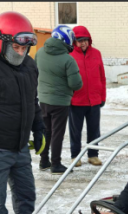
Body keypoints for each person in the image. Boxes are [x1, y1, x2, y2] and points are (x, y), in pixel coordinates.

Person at [0, 11, 45, 214]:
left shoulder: (29, 66)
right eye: (15, 47)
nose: (19, 53)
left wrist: (38, 128)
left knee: (26, 196)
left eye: (23, 48)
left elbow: (33, 100)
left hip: (19, 147)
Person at [35, 25, 83, 175]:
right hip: (60, 102)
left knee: (46, 131)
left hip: (43, 99)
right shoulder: (68, 60)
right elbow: (76, 84)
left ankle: (44, 161)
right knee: (57, 133)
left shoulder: (40, 52)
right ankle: (56, 164)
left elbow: (36, 71)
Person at [69, 26, 106, 167]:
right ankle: (75, 156)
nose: (83, 43)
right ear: (74, 41)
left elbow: (102, 76)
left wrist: (102, 96)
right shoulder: (70, 55)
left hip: (94, 100)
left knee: (94, 130)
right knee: (75, 131)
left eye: (85, 40)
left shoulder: (96, 53)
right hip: (76, 100)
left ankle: (93, 155)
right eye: (79, 40)